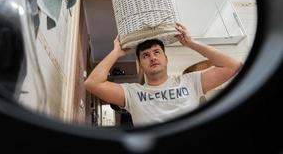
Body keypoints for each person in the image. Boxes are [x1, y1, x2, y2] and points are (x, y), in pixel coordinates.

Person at [84, 22, 242, 126]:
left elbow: (232, 66)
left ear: (166, 59)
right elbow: (92, 83)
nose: (152, 57)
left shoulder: (190, 82)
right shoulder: (132, 93)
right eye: (145, 55)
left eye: (157, 52)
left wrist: (191, 43)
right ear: (140, 64)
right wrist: (116, 52)